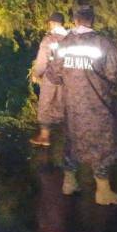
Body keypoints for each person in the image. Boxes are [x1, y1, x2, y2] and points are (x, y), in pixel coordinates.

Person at [46, 5, 117, 205]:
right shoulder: (102, 43)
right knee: (103, 144)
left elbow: (53, 75)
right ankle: (103, 192)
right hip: (98, 106)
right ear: (92, 19)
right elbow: (116, 73)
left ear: (74, 20)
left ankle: (69, 183)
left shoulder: (64, 44)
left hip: (72, 107)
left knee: (72, 141)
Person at [29, 12, 68, 147]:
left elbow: (42, 60)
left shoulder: (49, 39)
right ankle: (65, 136)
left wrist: (36, 74)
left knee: (45, 104)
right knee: (63, 103)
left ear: (52, 23)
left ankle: (45, 136)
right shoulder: (70, 39)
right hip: (66, 78)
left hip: (50, 77)